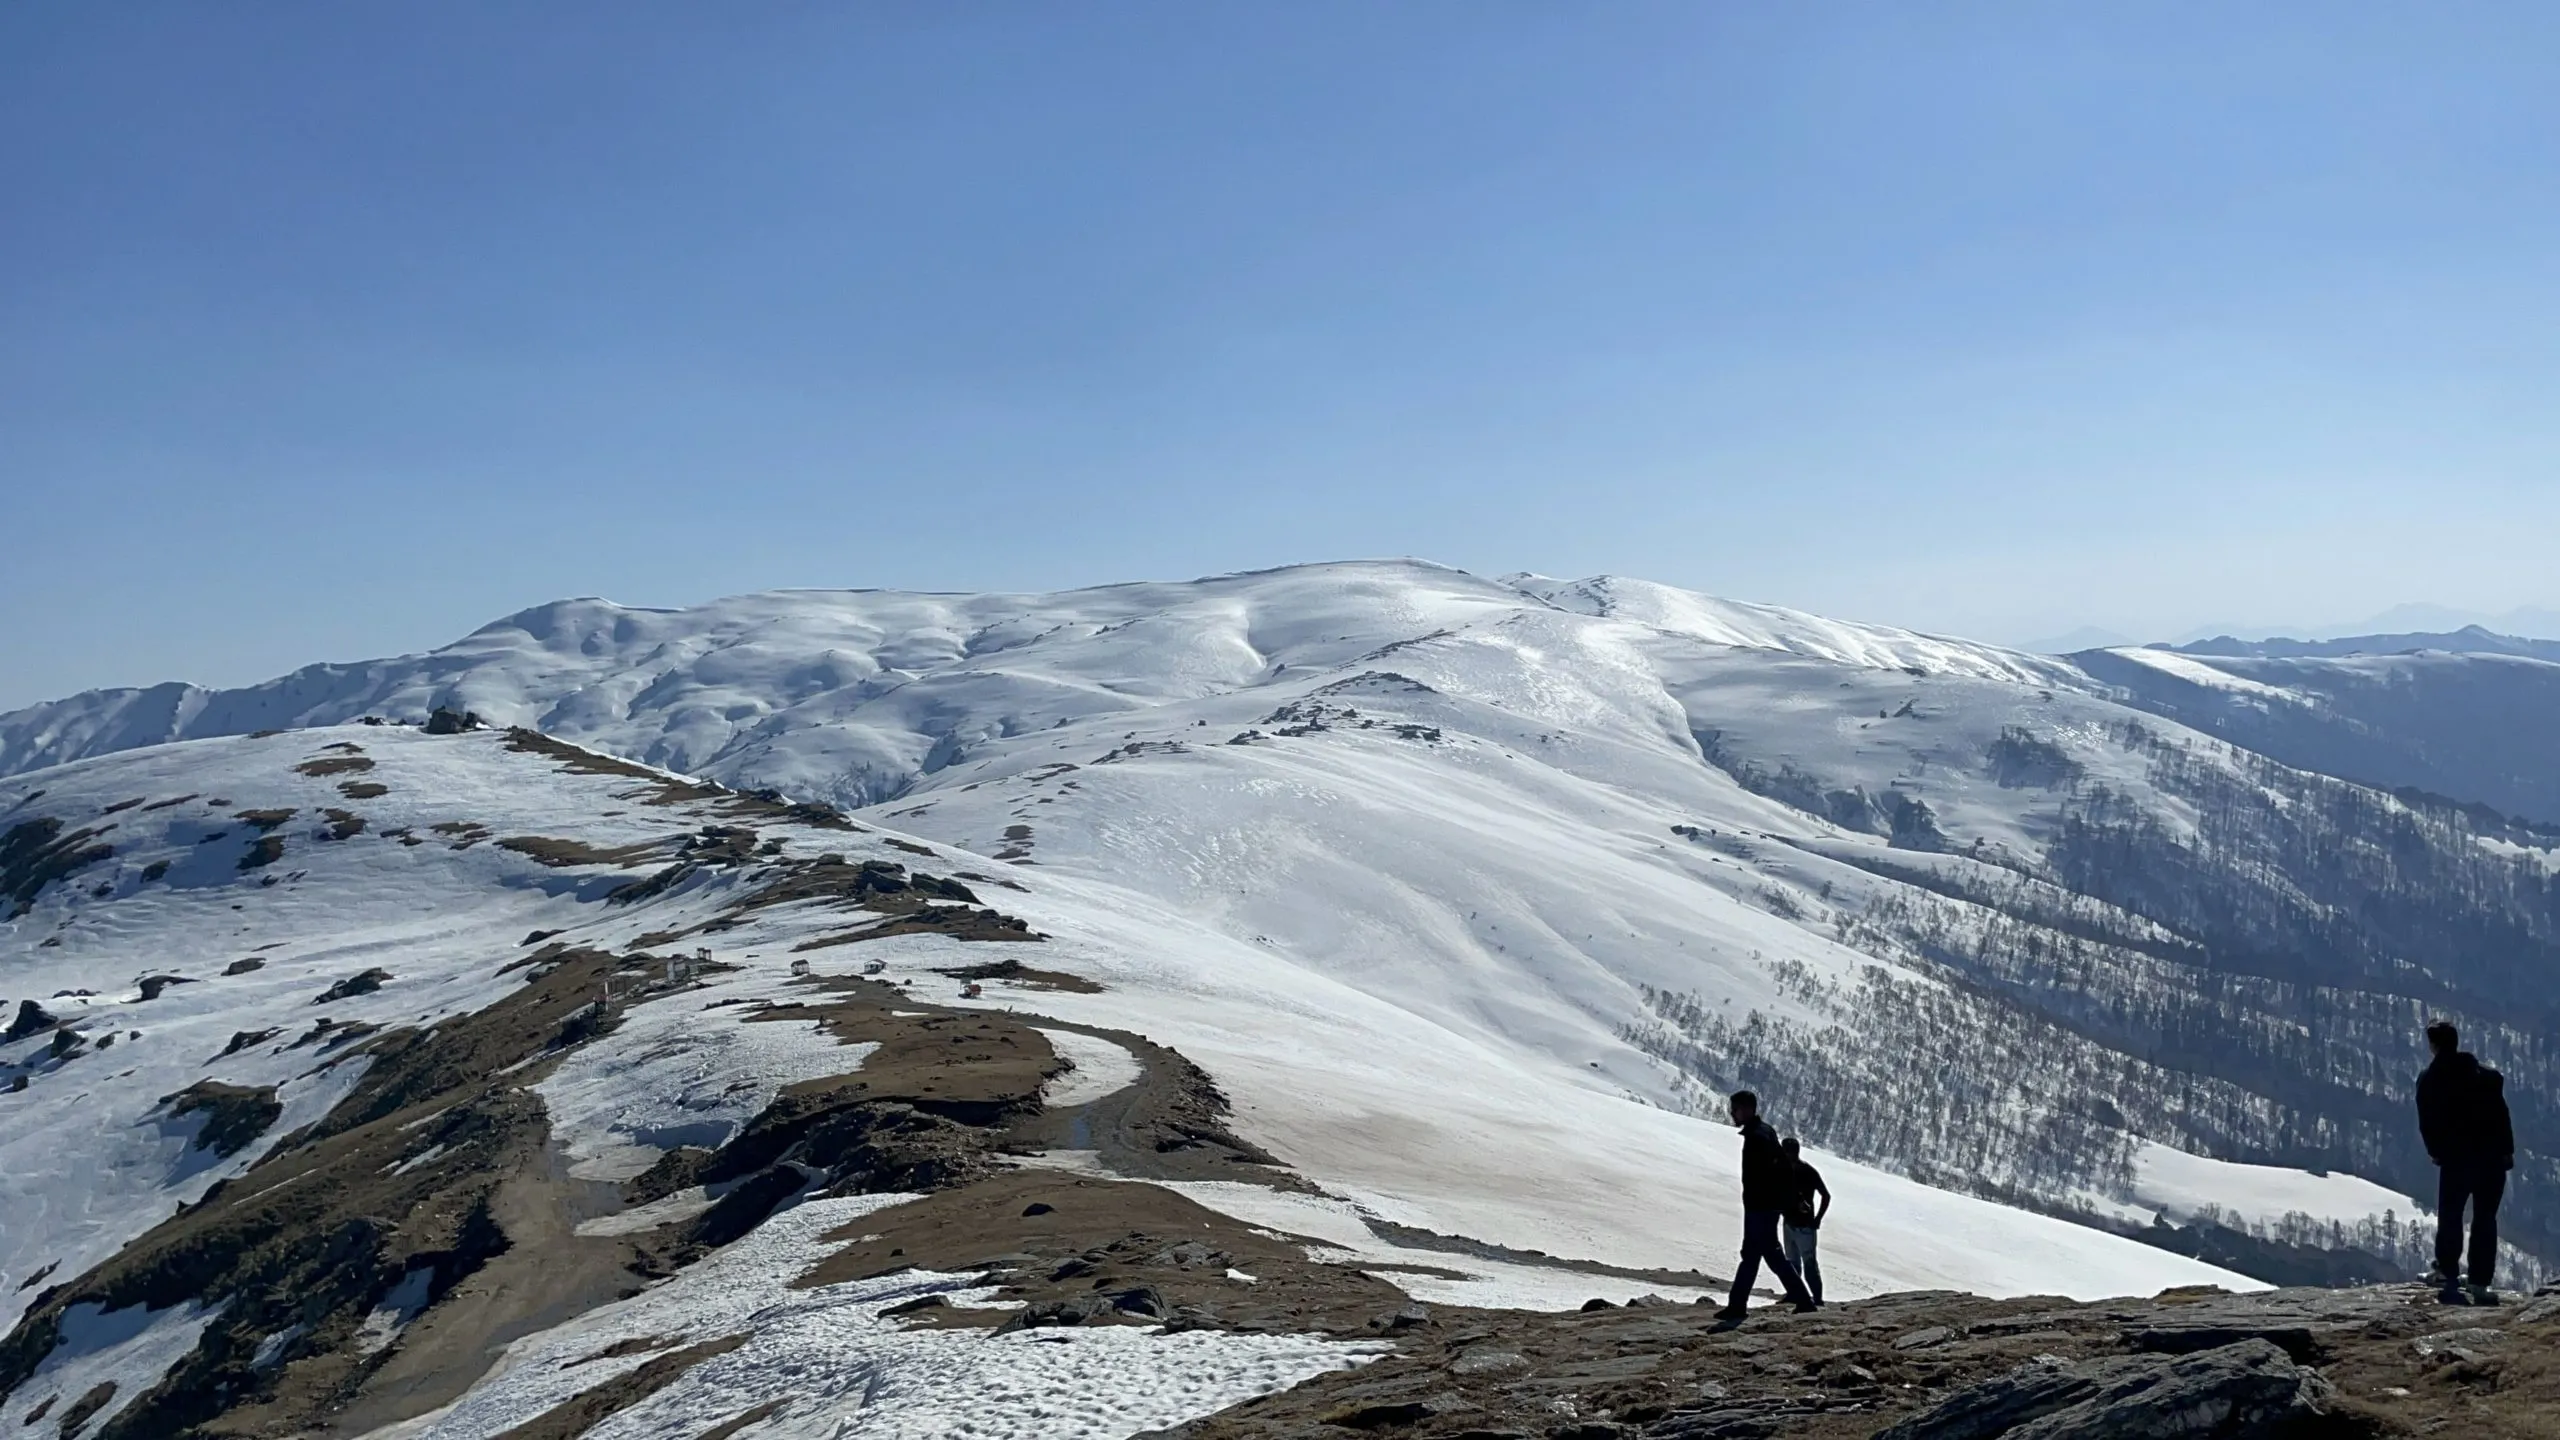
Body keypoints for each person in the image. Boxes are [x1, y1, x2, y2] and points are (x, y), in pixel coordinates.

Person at [2416, 1020, 2516, 1303]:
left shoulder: (2431, 1079)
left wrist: (2435, 1151)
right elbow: (2502, 1117)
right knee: (2485, 1219)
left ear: (2433, 1046)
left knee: (2451, 1215)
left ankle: (2447, 1271)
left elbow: (2428, 1122)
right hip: (2492, 1160)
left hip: (2456, 1161)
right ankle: (2479, 1282)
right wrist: (2507, 1152)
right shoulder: (2488, 1077)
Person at [1717, 1091, 1818, 1318]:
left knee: (1764, 1255)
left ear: (1747, 1109)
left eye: (1736, 1109)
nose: (1732, 1113)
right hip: (1765, 1207)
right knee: (1759, 1255)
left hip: (1759, 1207)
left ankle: (1741, 1306)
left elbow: (1764, 1175)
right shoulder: (1766, 1132)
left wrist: (1761, 1200)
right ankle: (1738, 1305)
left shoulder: (1757, 1138)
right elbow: (1780, 1170)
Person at [1781, 1136, 1831, 1305]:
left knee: (1807, 1264)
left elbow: (1826, 1195)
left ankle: (1816, 1298)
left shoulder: (1806, 1171)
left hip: (1803, 1226)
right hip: (1791, 1223)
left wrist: (1817, 1219)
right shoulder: (1789, 1170)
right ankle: (1796, 1294)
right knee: (1793, 1263)